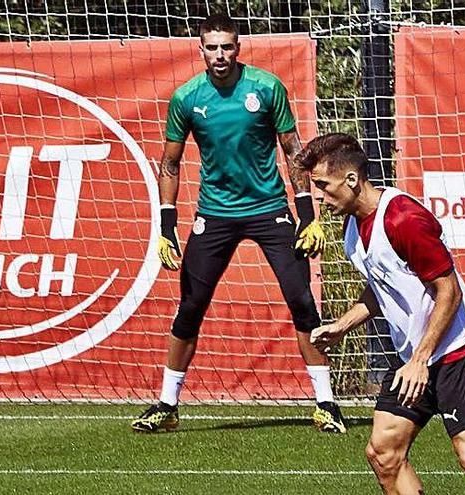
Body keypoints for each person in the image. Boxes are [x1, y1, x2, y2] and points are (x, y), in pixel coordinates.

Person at [132, 13, 344, 434]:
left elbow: (293, 150)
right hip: (215, 214)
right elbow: (169, 164)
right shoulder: (186, 98)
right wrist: (165, 226)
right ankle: (166, 405)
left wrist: (309, 217)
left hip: (271, 211)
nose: (220, 55)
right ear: (201, 50)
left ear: (238, 48)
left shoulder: (265, 88)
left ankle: (327, 404)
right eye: (211, 47)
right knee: (190, 306)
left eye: (227, 46)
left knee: (302, 301)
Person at [303, 133, 465, 494]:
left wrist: (419, 360)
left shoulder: (403, 219)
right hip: (415, 358)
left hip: (455, 351)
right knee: (384, 454)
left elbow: (450, 290)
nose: (318, 196)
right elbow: (383, 286)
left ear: (351, 180)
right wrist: (342, 325)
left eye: (322, 185)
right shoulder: (352, 226)